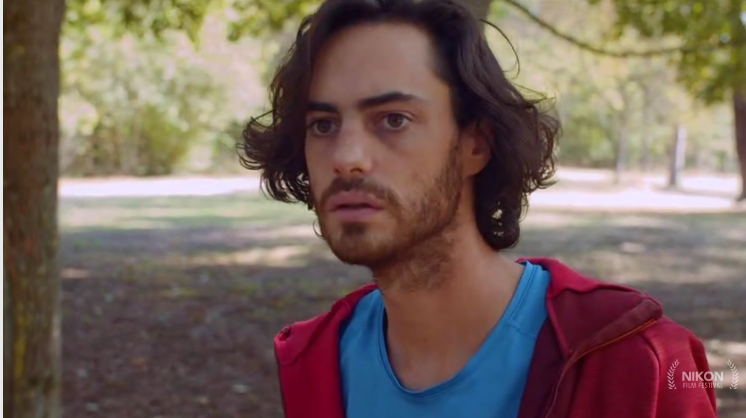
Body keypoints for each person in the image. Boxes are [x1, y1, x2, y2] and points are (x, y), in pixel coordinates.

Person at [241, 0, 718, 417]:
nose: (346, 158)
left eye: (393, 120)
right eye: (323, 125)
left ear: (476, 144)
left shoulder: (637, 356)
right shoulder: (315, 361)